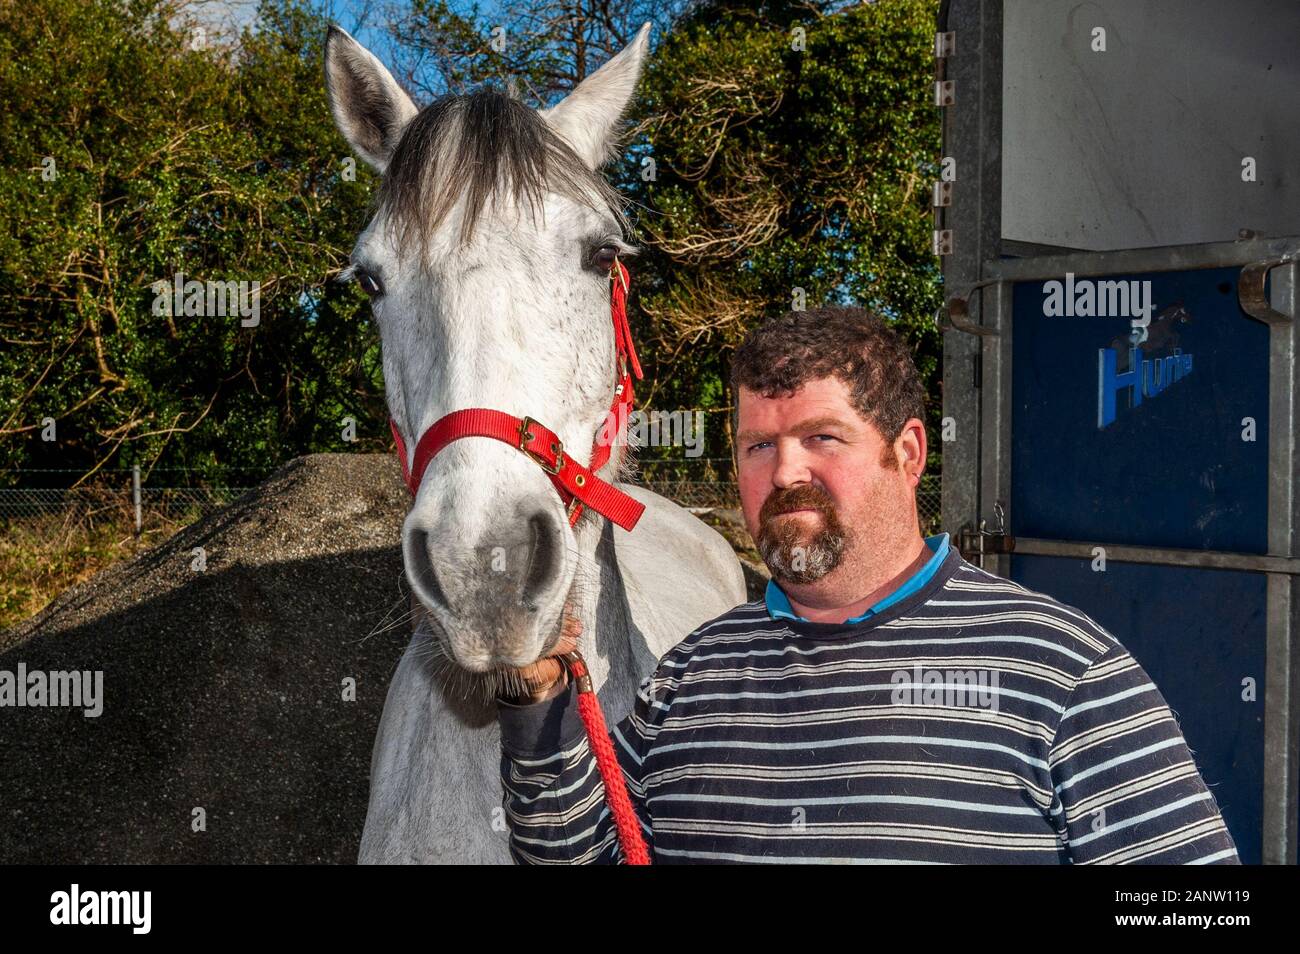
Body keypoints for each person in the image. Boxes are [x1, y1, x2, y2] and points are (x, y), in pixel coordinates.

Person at [494, 306, 1240, 864]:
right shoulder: (694, 675)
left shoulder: (1061, 668)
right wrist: (534, 692)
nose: (784, 473)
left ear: (908, 453)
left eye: (822, 437)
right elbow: (576, 853)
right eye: (759, 446)